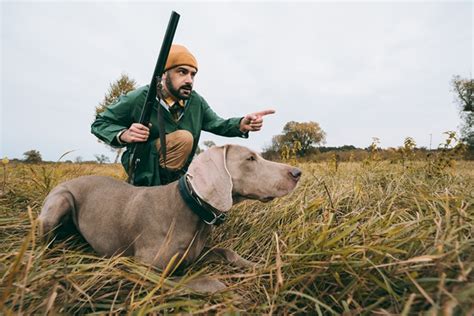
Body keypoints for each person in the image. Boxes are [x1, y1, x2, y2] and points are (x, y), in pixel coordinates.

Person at [91, 44, 274, 186]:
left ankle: (174, 191)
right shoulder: (140, 97)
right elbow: (100, 123)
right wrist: (124, 135)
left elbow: (218, 123)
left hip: (180, 174)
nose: (189, 80)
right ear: (163, 74)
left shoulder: (196, 102)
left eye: (193, 74)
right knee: (184, 138)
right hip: (144, 171)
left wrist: (241, 124)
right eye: (182, 72)